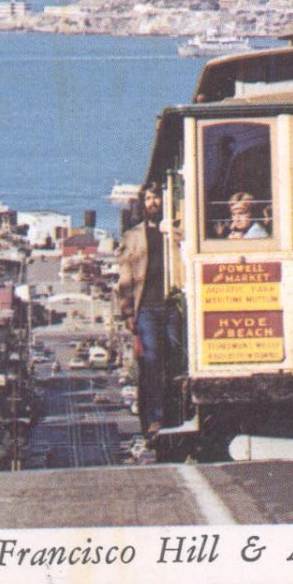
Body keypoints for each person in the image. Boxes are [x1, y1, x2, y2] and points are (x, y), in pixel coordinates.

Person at [116, 185, 178, 438]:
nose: (153, 203)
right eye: (149, 199)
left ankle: (173, 415)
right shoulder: (132, 237)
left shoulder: (175, 231)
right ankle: (155, 418)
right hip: (147, 309)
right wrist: (128, 312)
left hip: (172, 305)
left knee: (174, 361)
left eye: (157, 198)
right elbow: (125, 278)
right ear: (142, 205)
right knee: (152, 363)